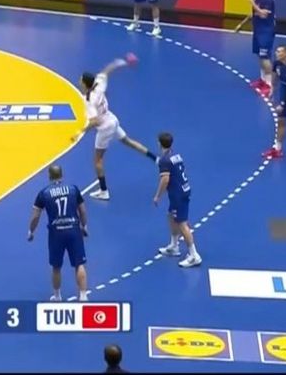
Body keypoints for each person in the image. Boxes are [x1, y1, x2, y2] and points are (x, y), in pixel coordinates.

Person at [71, 56, 157, 201]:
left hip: (104, 128)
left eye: (81, 80)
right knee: (127, 141)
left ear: (85, 84)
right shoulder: (98, 84)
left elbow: (95, 121)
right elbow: (106, 71)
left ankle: (104, 191)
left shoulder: (89, 101)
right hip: (112, 119)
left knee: (97, 160)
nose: (79, 81)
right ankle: (156, 159)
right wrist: (121, 63)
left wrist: (80, 131)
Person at [27, 164, 89, 302]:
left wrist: (31, 231)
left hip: (56, 234)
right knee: (79, 264)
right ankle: (83, 296)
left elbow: (36, 216)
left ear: (49, 176)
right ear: (62, 175)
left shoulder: (44, 193)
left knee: (56, 266)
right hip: (73, 230)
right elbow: (82, 211)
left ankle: (57, 296)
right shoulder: (73, 189)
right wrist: (84, 226)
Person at [152, 132, 201, 267]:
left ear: (159, 143)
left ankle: (193, 255)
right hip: (183, 190)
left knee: (182, 224)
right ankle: (174, 246)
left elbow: (165, 179)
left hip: (178, 195)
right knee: (171, 216)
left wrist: (157, 196)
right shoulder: (176, 156)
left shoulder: (164, 161)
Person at [245, 0, 275, 96]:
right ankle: (262, 80)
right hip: (258, 30)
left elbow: (264, 14)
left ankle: (269, 84)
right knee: (260, 56)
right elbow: (257, 13)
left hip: (266, 32)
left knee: (265, 57)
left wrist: (252, 3)